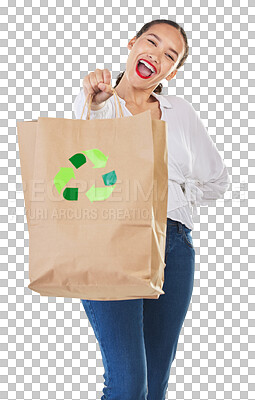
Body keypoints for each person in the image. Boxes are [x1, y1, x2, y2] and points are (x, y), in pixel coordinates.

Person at [73, 19, 231, 400]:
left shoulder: (180, 112)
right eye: (152, 42)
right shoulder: (99, 103)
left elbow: (217, 181)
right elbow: (81, 157)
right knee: (128, 386)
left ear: (172, 72)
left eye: (169, 55)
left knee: (155, 385)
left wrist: (173, 192)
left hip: (174, 247)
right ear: (132, 44)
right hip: (111, 245)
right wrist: (95, 101)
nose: (157, 55)